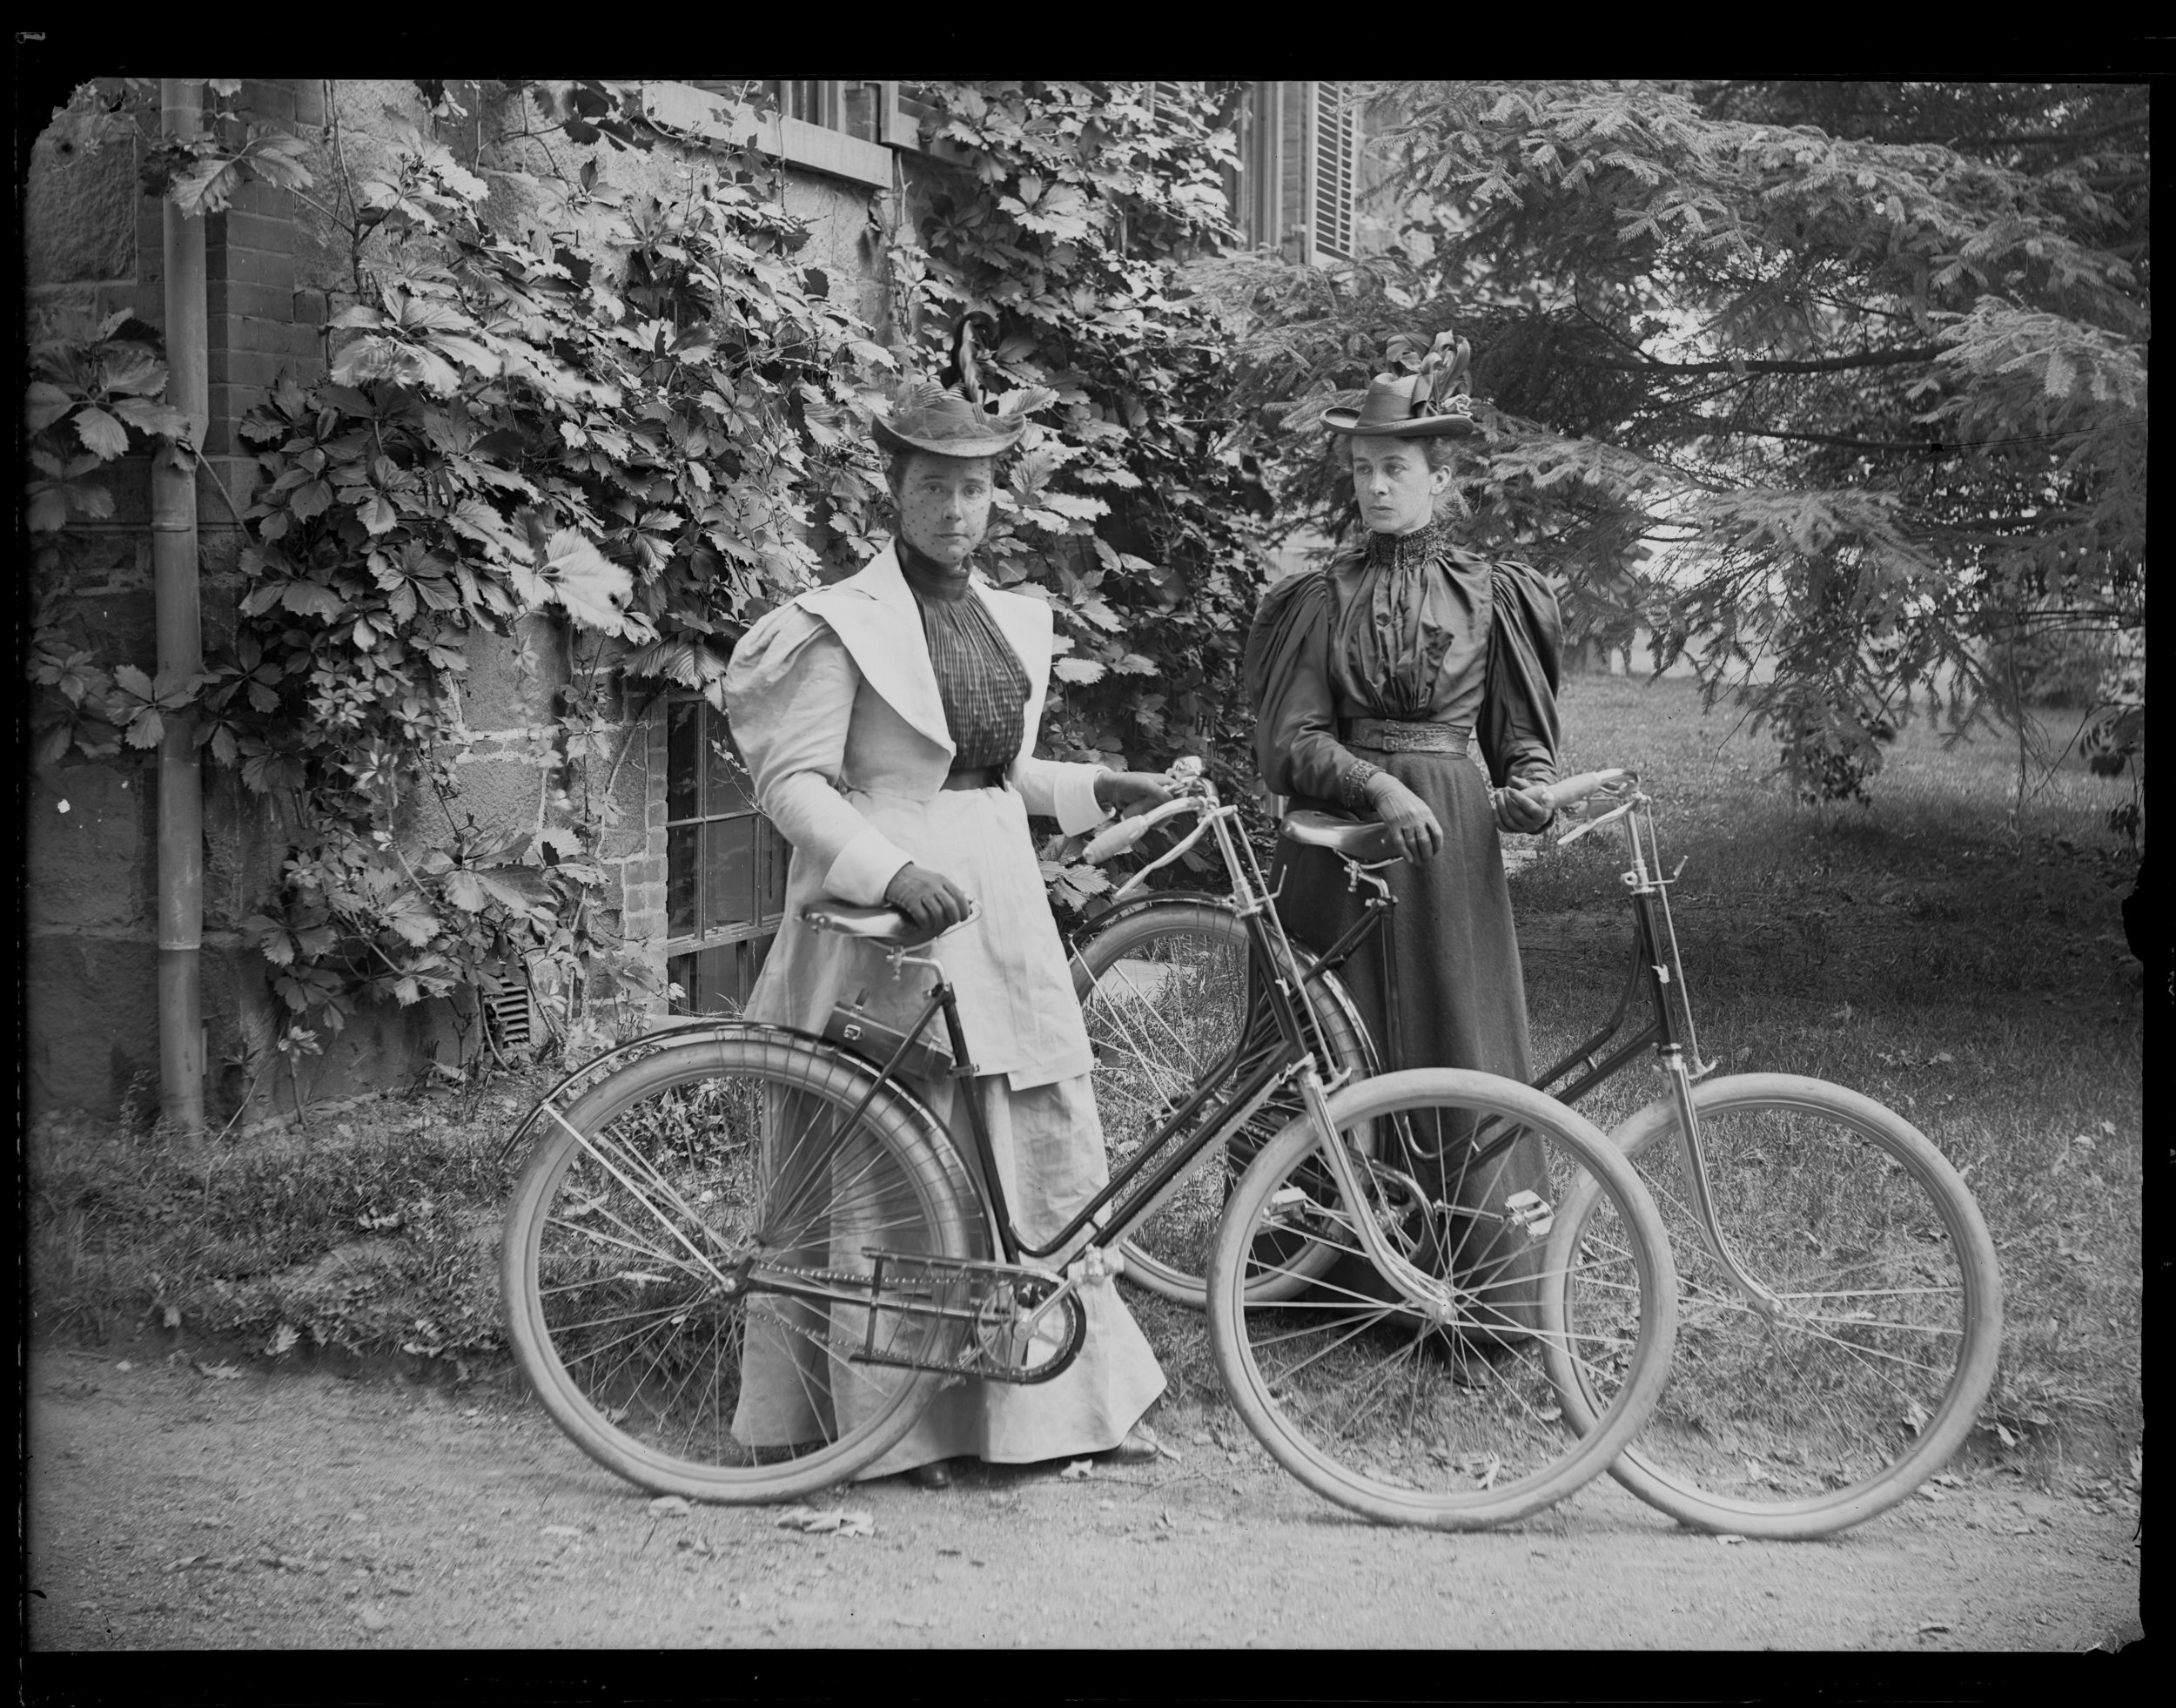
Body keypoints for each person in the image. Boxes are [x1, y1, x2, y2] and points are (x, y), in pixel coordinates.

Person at [721, 366, 1172, 1487]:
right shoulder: (839, 625)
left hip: (1000, 902)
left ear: (994, 498)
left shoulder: (1008, 618)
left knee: (1031, 1141)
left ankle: (1062, 1412)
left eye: (973, 492)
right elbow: (794, 783)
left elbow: (999, 773)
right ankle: (899, 1427)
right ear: (896, 491)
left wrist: (1098, 788)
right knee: (897, 1147)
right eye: (934, 489)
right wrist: (890, 865)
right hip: (889, 906)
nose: (956, 512)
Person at [1243, 339, 1562, 1333]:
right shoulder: (1317, 599)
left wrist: (1533, 792)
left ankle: (1471, 1286)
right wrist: (1376, 785)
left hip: (1446, 850)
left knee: (1450, 1029)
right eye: (1364, 470)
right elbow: (1287, 742)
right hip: (1335, 845)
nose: (1376, 488)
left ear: (1439, 477)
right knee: (1330, 1046)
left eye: (1396, 469)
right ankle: (1317, 1284)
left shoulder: (1491, 596)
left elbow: (1522, 743)